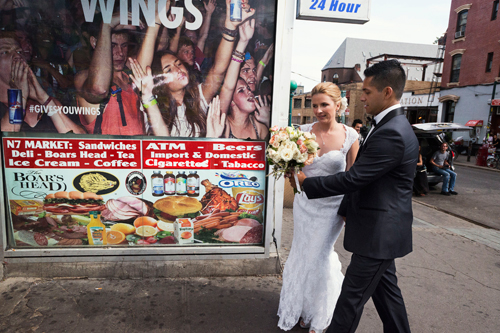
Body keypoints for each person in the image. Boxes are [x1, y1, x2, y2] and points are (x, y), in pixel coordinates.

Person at [290, 60, 417, 333]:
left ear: (386, 92)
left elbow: (354, 177)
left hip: (377, 233)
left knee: (350, 301)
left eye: (367, 92)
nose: (362, 97)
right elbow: (362, 177)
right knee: (388, 298)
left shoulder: (392, 132)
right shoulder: (388, 125)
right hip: (380, 233)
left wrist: (306, 183)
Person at [277, 82, 359, 333]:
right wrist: (293, 173)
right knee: (303, 254)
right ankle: (301, 307)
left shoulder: (351, 136)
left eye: (324, 104)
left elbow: (353, 178)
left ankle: (319, 313)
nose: (319, 110)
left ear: (338, 105)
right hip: (305, 206)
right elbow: (292, 170)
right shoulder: (300, 132)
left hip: (331, 209)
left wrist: (347, 211)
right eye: (314, 105)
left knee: (320, 255)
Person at [131, 0, 255, 137]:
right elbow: (142, 74)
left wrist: (230, 28)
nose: (178, 70)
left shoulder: (197, 99)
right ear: (158, 80)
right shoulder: (152, 104)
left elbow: (218, 70)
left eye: (178, 63)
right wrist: (156, 20)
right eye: (168, 70)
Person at [74, 12, 146, 135]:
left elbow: (158, 48)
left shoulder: (128, 75)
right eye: (112, 46)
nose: (120, 53)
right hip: (109, 153)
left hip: (136, 152)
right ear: (95, 43)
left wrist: (156, 20)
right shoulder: (83, 77)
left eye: (124, 46)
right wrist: (106, 26)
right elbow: (98, 89)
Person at [0, 32, 85, 134]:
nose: (17, 56)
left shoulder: (47, 102)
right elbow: (7, 143)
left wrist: (44, 99)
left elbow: (80, 143)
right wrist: (19, 97)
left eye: (19, 52)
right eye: (5, 52)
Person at [218, 19, 269, 139]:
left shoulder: (259, 122)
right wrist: (243, 41)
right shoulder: (222, 124)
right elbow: (228, 87)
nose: (253, 76)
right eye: (246, 70)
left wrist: (268, 121)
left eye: (255, 70)